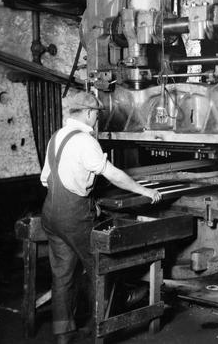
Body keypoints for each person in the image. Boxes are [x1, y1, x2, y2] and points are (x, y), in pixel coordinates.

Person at [40, 91, 162, 344]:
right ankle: (101, 328)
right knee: (100, 267)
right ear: (86, 113)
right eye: (96, 113)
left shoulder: (57, 137)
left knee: (62, 274)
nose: (97, 118)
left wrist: (84, 196)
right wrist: (144, 190)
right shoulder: (85, 140)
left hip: (50, 213)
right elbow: (113, 174)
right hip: (73, 217)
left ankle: (63, 335)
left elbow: (46, 179)